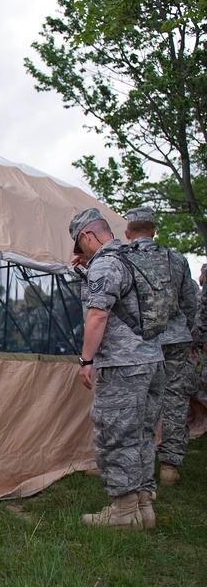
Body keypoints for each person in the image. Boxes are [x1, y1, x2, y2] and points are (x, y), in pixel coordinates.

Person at [70, 207, 164, 530]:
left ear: (87, 236)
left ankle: (123, 513)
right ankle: (142, 508)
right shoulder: (135, 259)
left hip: (123, 365)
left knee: (116, 432)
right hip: (152, 360)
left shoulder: (106, 266)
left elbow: (98, 315)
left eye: (80, 247)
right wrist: (88, 268)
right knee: (140, 433)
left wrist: (86, 360)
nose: (80, 254)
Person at [123, 207, 198, 487]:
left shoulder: (123, 259)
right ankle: (169, 466)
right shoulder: (177, 259)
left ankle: (132, 463)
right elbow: (190, 302)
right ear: (154, 230)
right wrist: (190, 335)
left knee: (135, 399)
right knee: (175, 400)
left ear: (128, 233)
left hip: (138, 341)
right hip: (175, 339)